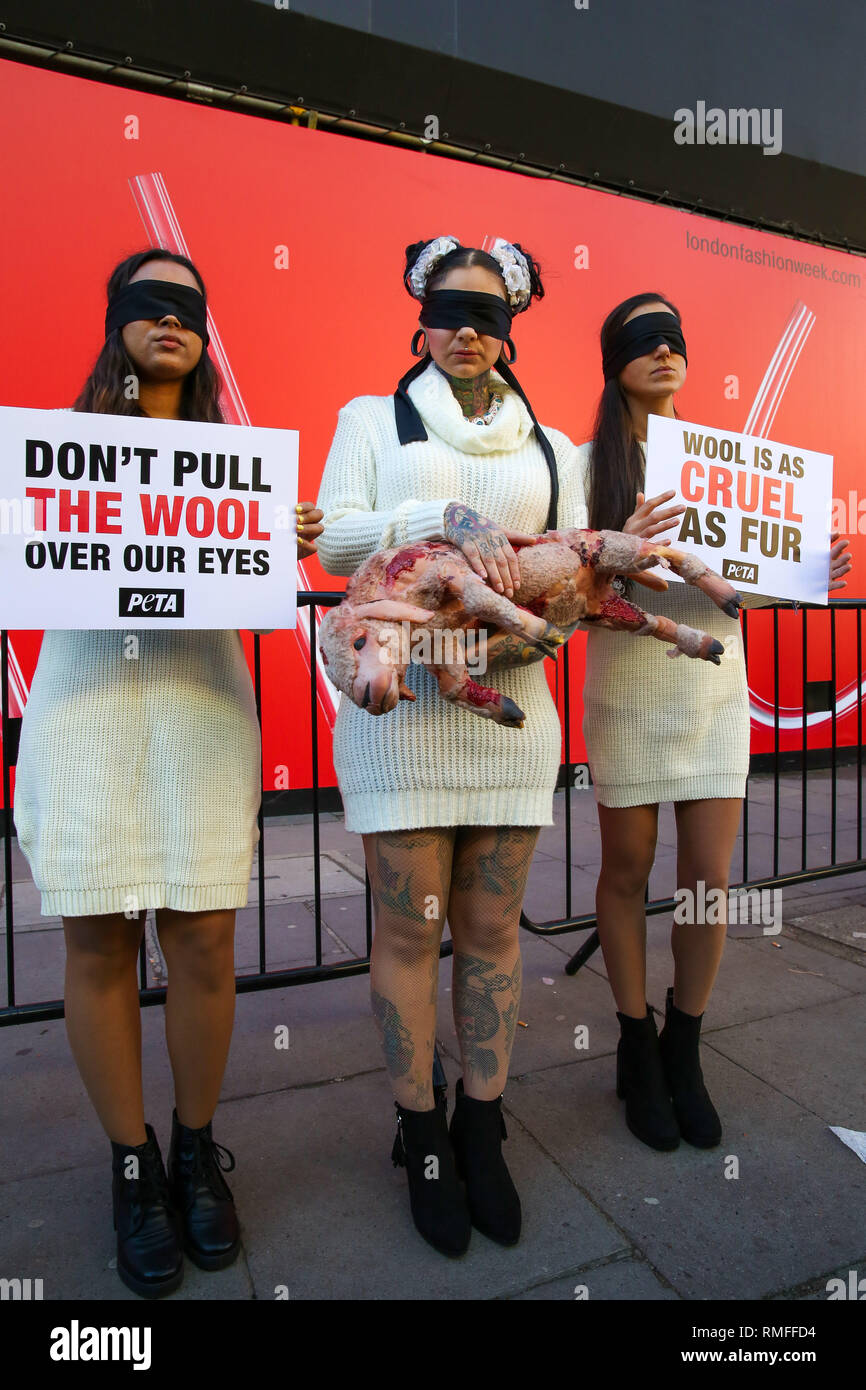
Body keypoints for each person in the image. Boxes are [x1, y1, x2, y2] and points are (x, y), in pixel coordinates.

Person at [13, 248, 323, 1297]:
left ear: (204, 333)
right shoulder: (56, 453)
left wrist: (284, 544)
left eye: (187, 307)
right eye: (147, 307)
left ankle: (194, 1149)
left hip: (197, 707)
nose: (169, 322)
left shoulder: (238, 467)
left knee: (201, 934)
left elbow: (264, 592)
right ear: (117, 326)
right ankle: (131, 1163)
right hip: (88, 707)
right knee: (99, 934)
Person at [315, 235, 588, 1255]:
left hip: (512, 721)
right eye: (449, 311)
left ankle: (482, 1120)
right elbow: (335, 537)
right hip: (405, 726)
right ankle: (418, 1129)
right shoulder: (369, 420)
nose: (468, 332)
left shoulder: (553, 448)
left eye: (489, 317)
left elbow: (570, 557)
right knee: (404, 936)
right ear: (418, 317)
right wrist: (440, 511)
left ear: (511, 329)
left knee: (491, 932)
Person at [578, 291, 851, 1151]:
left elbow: (741, 586)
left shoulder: (729, 469)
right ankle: (632, 1042)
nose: (664, 353)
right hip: (629, 686)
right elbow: (575, 595)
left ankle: (683, 1043)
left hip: (710, 694)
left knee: (707, 877)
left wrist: (808, 570)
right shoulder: (587, 464)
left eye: (674, 340)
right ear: (612, 360)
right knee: (626, 869)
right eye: (643, 341)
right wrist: (617, 543)